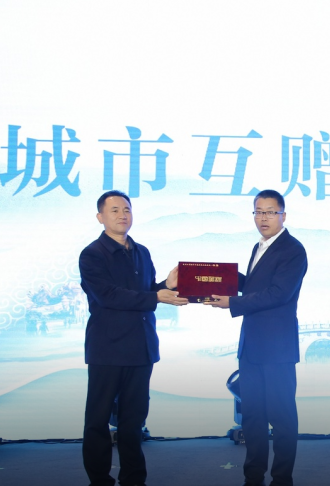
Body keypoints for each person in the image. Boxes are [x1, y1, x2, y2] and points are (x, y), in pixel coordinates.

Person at [79, 190, 188, 486]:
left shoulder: (142, 251)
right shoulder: (92, 254)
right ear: (100, 217)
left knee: (134, 421)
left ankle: (134, 479)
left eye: (126, 209)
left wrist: (167, 285)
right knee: (98, 420)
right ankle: (99, 480)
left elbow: (145, 292)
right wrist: (156, 296)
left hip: (141, 348)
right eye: (114, 210)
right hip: (108, 349)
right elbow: (108, 296)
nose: (122, 215)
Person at [206, 189, 308, 486]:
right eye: (258, 212)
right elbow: (254, 286)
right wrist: (215, 277)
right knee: (252, 417)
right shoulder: (259, 246)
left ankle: (281, 479)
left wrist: (232, 302)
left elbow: (279, 294)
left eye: (270, 212)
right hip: (251, 348)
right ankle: (253, 477)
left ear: (283, 215)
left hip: (277, 349)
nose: (263, 218)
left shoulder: (293, 250)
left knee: (282, 418)